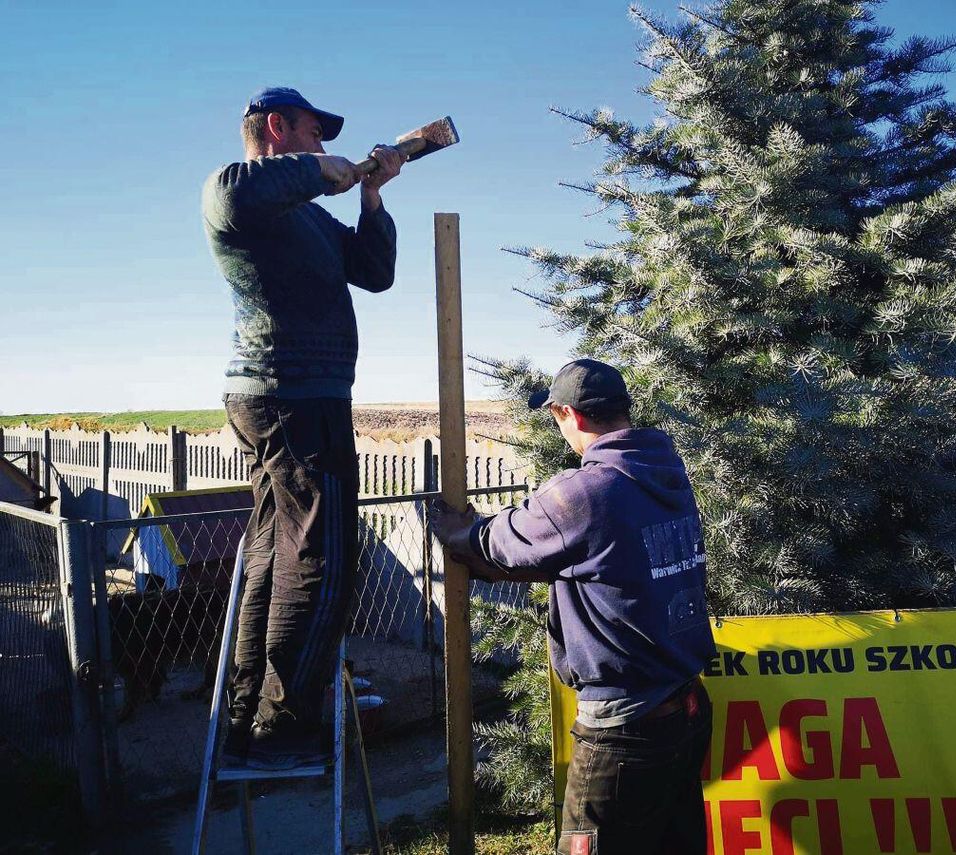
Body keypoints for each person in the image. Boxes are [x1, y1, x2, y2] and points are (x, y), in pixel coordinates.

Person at [428, 358, 715, 854]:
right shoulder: (664, 470)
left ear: (569, 415)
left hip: (624, 728)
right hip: (685, 709)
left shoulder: (588, 490)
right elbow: (599, 559)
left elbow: (502, 541)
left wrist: (459, 532)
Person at [202, 86, 405, 769]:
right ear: (277, 127)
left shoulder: (312, 220)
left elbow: (374, 273)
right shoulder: (232, 192)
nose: (323, 145)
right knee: (325, 558)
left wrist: (370, 198)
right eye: (316, 133)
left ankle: (246, 720)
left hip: (296, 398)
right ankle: (283, 731)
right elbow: (241, 192)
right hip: (293, 397)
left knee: (274, 555)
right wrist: (322, 169)